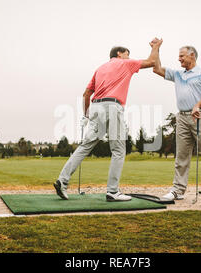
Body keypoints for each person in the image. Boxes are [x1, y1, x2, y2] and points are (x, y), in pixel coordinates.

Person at [54, 39, 163, 201]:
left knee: (85, 146)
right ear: (119, 54)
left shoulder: (100, 69)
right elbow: (152, 62)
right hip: (113, 106)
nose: (129, 57)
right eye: (127, 54)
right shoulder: (125, 64)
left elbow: (86, 94)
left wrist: (86, 114)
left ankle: (62, 180)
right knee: (118, 150)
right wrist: (156, 47)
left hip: (96, 107)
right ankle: (112, 192)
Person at [151, 40, 201, 201]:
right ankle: (178, 190)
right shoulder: (178, 74)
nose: (179, 59)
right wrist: (156, 49)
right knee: (181, 155)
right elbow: (156, 69)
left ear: (192, 55)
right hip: (181, 118)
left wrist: (198, 105)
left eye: (181, 56)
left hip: (200, 116)